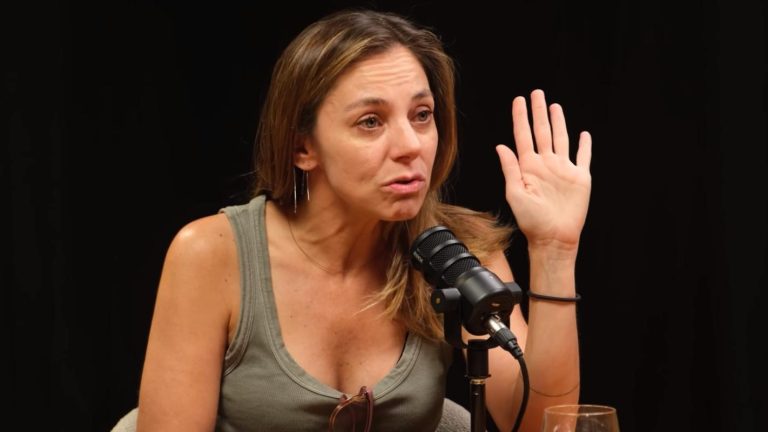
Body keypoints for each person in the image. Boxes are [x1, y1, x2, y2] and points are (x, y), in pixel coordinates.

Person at [135, 8, 591, 432]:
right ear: (302, 147)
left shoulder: (456, 256)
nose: (410, 145)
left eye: (422, 115)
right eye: (371, 121)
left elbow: (543, 426)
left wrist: (554, 250)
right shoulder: (212, 255)